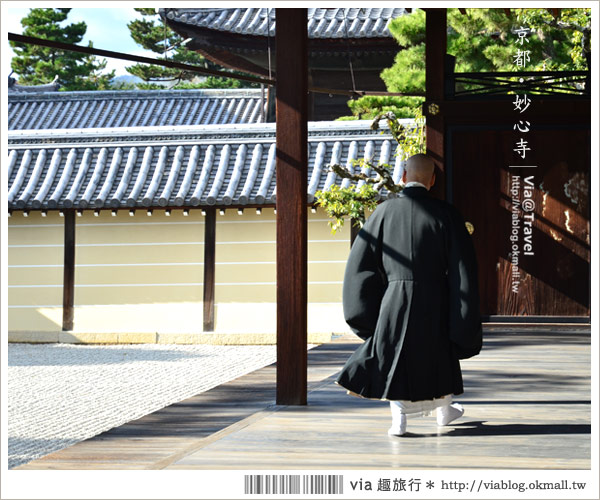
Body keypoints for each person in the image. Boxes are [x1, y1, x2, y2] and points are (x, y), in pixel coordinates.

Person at [336, 153, 482, 436]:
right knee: (438, 353)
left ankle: (399, 421)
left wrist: (366, 310)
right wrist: (463, 307)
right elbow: (463, 267)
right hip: (436, 297)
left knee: (395, 354)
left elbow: (361, 266)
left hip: (395, 298)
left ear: (404, 176)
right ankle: (444, 409)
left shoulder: (382, 213)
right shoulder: (447, 214)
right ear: (433, 180)